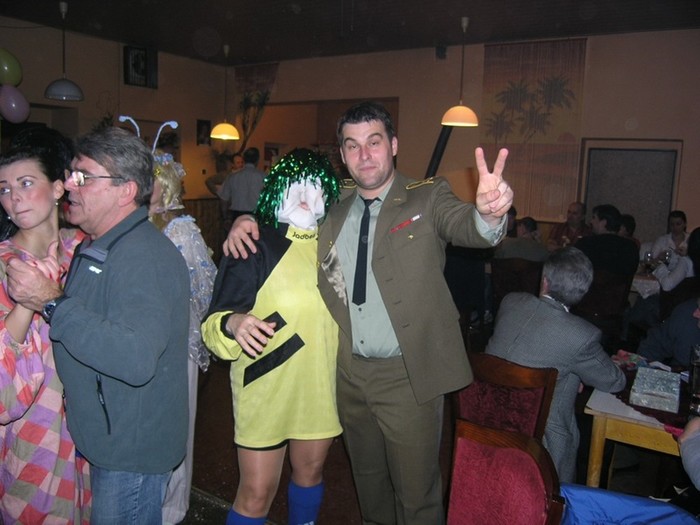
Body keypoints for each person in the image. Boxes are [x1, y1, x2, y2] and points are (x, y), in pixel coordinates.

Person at [225, 101, 513, 524]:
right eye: (352, 145)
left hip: (407, 375)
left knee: (417, 497)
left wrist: (488, 214)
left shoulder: (428, 196)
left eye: (374, 142)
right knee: (369, 487)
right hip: (347, 374)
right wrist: (247, 219)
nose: (364, 155)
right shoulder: (332, 202)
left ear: (393, 145)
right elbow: (287, 208)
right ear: (342, 155)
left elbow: (467, 226)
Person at [6, 126, 190, 524]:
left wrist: (52, 303)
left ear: (125, 191)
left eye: (84, 177)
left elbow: (135, 357)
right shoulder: (98, 243)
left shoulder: (142, 256)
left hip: (131, 455)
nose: (70, 185)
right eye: (72, 174)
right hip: (109, 441)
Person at [202, 148, 343, 525]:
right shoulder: (253, 244)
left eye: (315, 185)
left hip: (318, 386)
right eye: (295, 183)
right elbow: (212, 325)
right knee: (256, 494)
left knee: (310, 475)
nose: (305, 194)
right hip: (266, 387)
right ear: (277, 189)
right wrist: (234, 323)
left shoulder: (333, 247)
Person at [0, 127, 90, 523]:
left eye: (25, 183)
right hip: (34, 434)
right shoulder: (5, 263)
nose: (13, 197)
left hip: (90, 427)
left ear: (57, 188)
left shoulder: (85, 247)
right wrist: (27, 301)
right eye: (4, 189)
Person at [486, 247, 626, 483]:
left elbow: (532, 350)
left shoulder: (510, 302)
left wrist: (573, 373)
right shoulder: (581, 335)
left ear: (544, 281)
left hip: (485, 421)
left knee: (569, 376)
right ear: (584, 291)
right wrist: (580, 372)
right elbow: (615, 381)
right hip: (543, 444)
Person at [151, 150, 217, 525]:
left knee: (177, 423)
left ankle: (172, 509)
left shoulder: (182, 229)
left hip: (178, 340)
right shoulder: (129, 224)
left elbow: (205, 286)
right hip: (142, 341)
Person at [575, 204, 639, 277]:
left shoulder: (585, 244)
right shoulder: (631, 247)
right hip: (620, 285)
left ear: (603, 222)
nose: (591, 221)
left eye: (594, 217)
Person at [218, 147, 265, 226]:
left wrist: (225, 217)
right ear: (257, 160)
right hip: (257, 216)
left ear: (244, 159)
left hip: (237, 216)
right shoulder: (263, 177)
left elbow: (223, 199)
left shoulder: (232, 177)